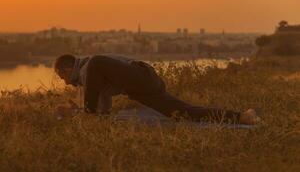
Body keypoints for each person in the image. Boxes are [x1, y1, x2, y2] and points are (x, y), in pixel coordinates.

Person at [54, 54, 259, 125]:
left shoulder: (90, 67)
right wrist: (79, 113)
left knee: (96, 62)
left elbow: (94, 77)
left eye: (63, 77)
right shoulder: (91, 78)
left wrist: (87, 113)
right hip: (143, 87)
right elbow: (102, 104)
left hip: (141, 75)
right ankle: (242, 117)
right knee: (183, 112)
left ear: (67, 69)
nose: (65, 83)